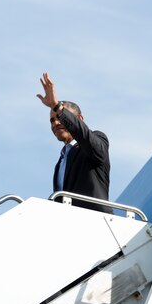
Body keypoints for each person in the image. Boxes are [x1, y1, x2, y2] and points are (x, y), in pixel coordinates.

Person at [37, 72, 113, 213]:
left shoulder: (96, 140)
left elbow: (85, 136)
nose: (56, 123)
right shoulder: (61, 161)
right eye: (52, 120)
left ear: (80, 118)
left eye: (60, 117)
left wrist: (57, 106)